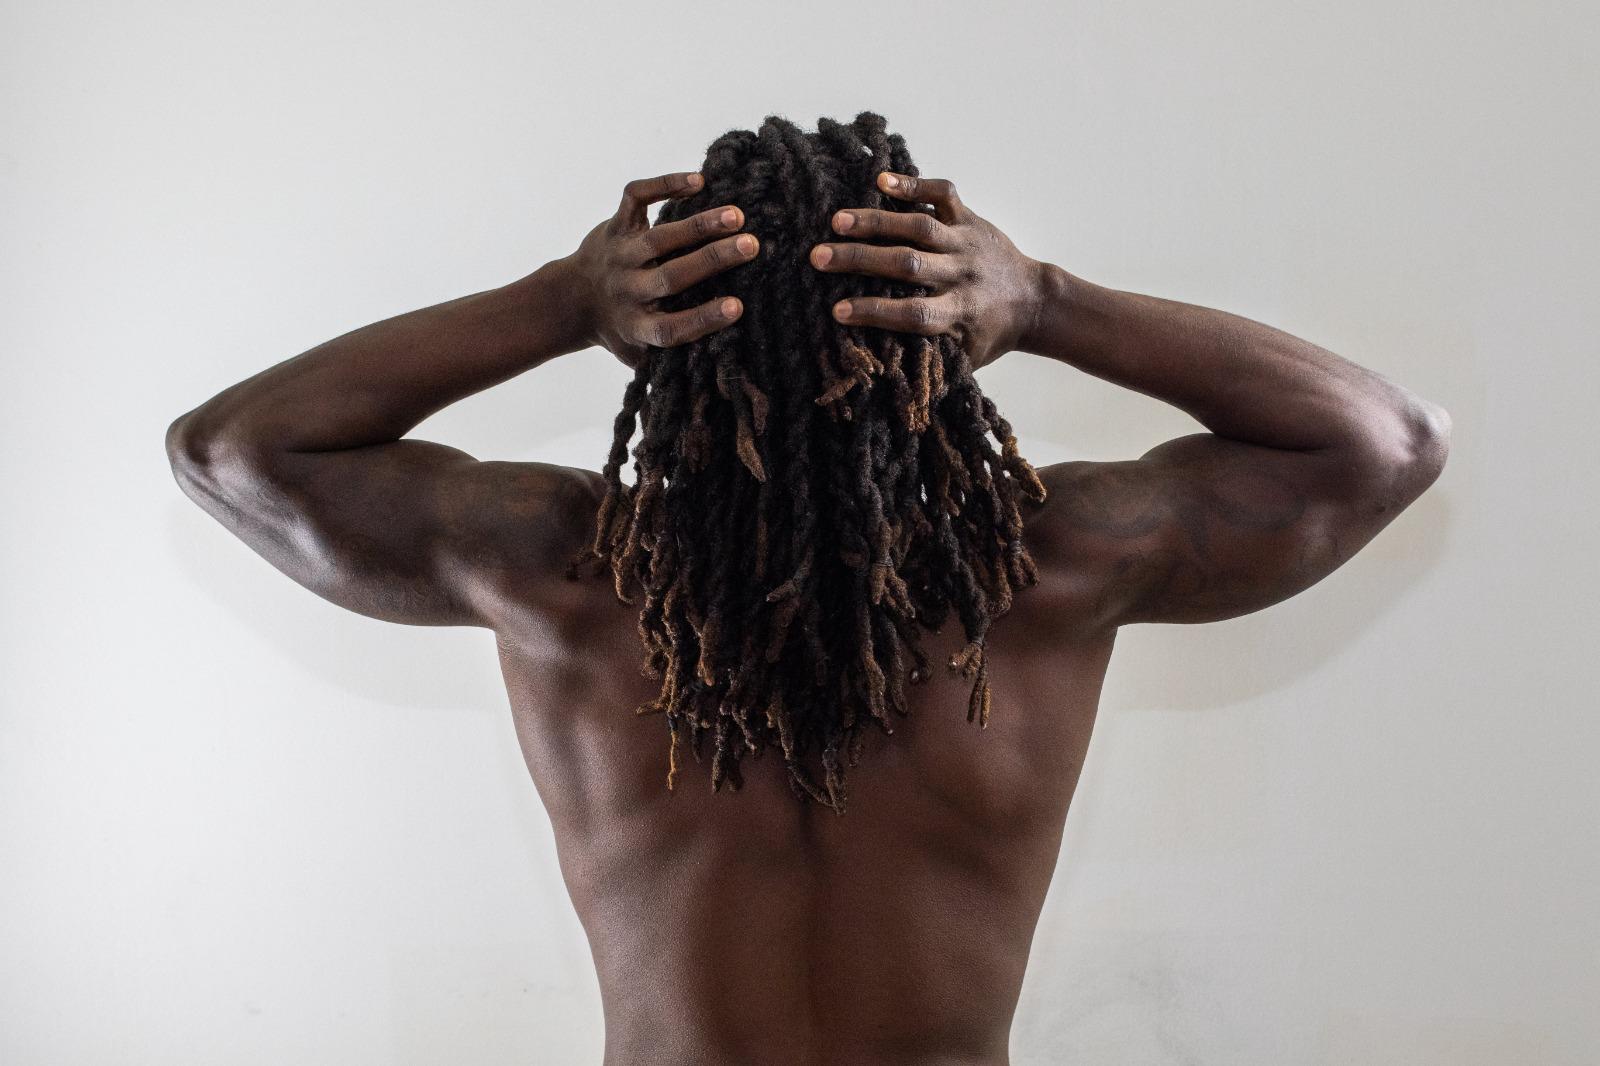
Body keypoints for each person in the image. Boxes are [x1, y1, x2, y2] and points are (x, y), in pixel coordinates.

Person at [165, 113, 1450, 1064]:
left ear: (671, 358)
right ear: (934, 347)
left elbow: (232, 452)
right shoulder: (1043, 570)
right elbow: (1384, 443)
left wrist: (559, 301)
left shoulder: (569, 574)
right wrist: (1048, 303)